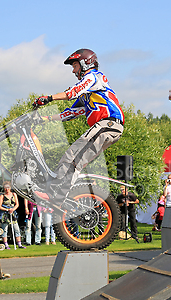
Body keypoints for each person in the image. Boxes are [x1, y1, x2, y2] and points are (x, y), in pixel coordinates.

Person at [32, 49, 124, 211]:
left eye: (75, 66)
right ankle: (58, 199)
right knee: (75, 162)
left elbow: (72, 92)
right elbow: (72, 112)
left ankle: (53, 191)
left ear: (85, 63)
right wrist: (44, 119)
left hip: (107, 124)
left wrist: (48, 98)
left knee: (70, 155)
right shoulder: (87, 93)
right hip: (107, 128)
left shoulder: (94, 77)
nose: (73, 71)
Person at [0, 181, 25, 249]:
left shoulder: (14, 194)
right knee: (5, 230)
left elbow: (17, 204)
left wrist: (13, 209)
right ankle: (6, 245)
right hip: (5, 215)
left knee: (17, 229)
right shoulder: (2, 196)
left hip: (12, 214)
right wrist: (7, 210)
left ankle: (19, 244)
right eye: (5, 188)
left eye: (8, 187)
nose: (7, 189)